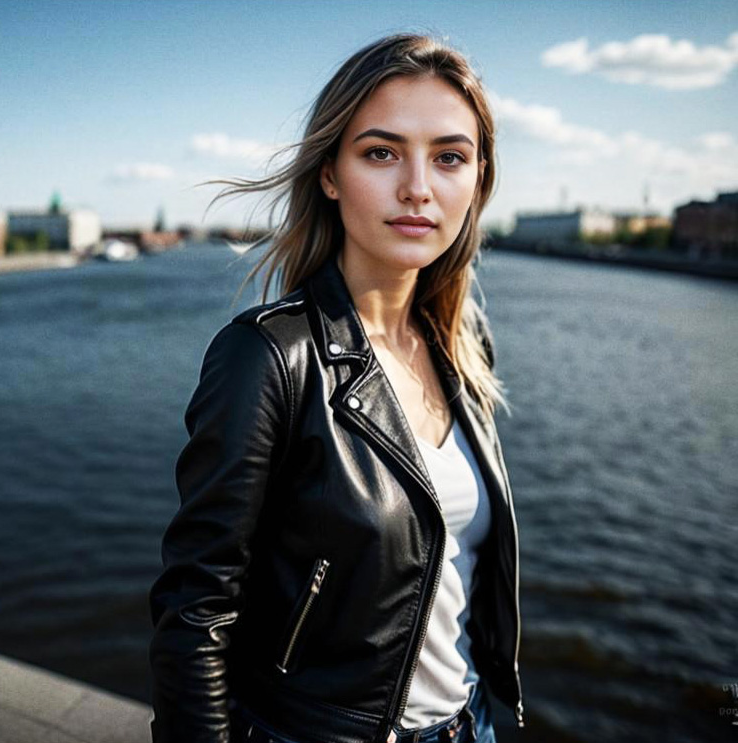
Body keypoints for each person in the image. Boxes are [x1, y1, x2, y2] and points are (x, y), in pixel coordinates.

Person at [149, 33, 524, 743]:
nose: (418, 186)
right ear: (329, 173)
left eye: (449, 156)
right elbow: (195, 610)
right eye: (381, 152)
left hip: (467, 726)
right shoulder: (268, 357)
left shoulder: (464, 347)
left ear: (478, 179)